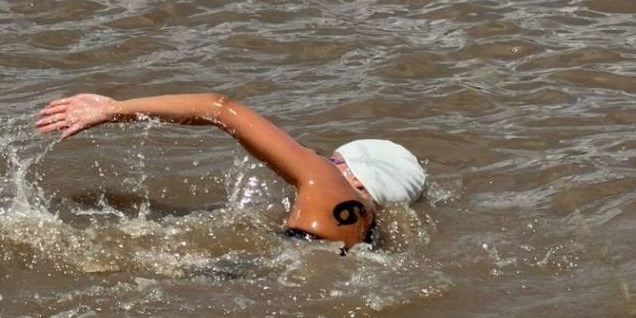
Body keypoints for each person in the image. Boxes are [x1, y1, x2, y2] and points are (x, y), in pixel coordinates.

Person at [35, 93, 426, 249]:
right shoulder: (367, 229)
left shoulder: (328, 183)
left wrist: (113, 109)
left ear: (356, 175)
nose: (323, 160)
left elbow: (220, 108)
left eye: (335, 160)